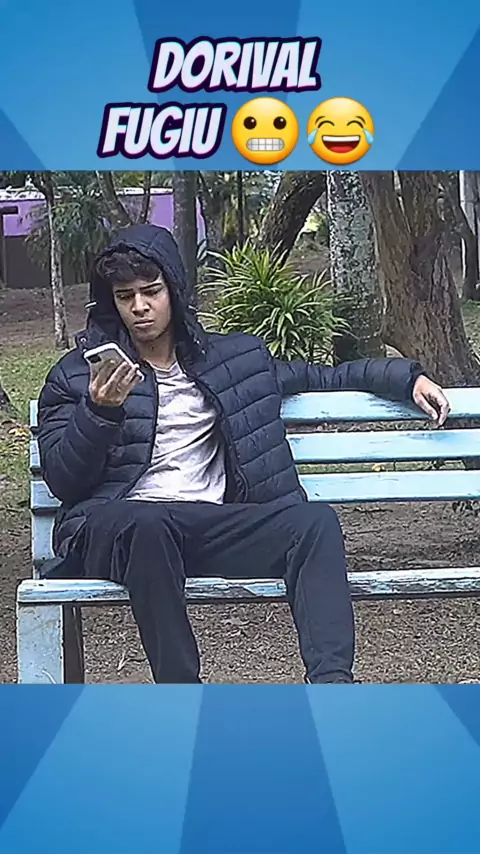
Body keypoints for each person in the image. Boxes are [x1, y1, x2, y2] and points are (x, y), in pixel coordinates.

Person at [37, 224, 450, 684]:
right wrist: (98, 412)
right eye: (124, 296)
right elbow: (64, 479)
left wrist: (407, 379)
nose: (139, 307)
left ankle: (333, 687)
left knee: (314, 523)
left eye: (151, 291)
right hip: (119, 532)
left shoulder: (235, 360)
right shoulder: (77, 376)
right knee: (149, 523)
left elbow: (325, 377)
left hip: (208, 526)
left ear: (175, 290)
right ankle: (182, 691)